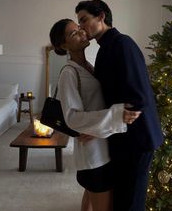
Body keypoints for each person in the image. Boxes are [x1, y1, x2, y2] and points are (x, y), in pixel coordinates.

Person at [75, 0, 164, 211]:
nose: (81, 27)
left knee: (130, 203)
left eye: (84, 19)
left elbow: (138, 99)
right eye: (79, 23)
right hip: (124, 140)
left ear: (101, 16)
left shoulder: (122, 44)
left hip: (137, 140)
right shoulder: (106, 48)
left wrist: (100, 128)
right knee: (121, 199)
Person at [49, 19, 141, 211]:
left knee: (90, 200)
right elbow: (72, 117)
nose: (81, 32)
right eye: (73, 33)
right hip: (94, 156)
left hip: (102, 147)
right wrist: (117, 115)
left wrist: (97, 129)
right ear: (63, 45)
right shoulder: (69, 72)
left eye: (79, 28)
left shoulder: (88, 66)